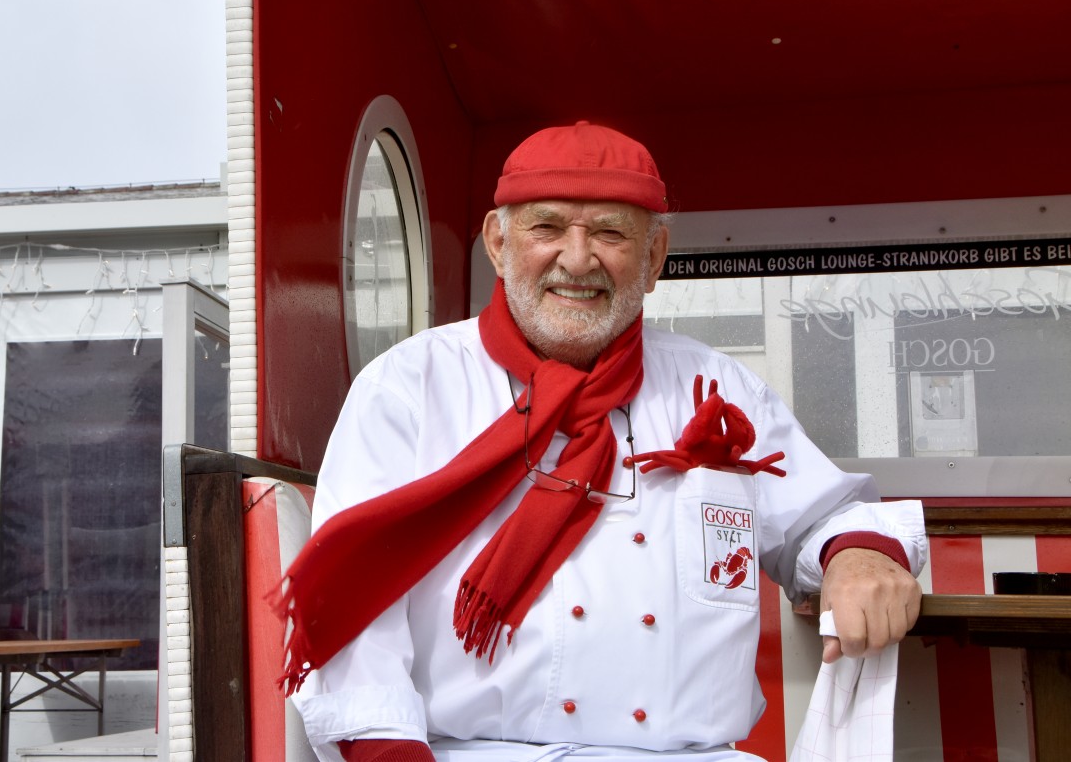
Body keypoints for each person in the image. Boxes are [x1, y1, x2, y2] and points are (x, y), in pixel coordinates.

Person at [278, 121, 926, 762]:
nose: (579, 258)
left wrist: (856, 558)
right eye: (548, 227)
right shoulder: (407, 388)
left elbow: (822, 515)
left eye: (612, 233)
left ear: (654, 259)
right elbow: (353, 611)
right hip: (470, 756)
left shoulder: (717, 387)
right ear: (498, 243)